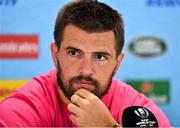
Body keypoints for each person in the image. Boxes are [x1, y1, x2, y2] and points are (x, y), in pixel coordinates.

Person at [0, 0, 172, 127]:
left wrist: (107, 126)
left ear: (118, 62)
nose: (86, 70)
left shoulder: (137, 110)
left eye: (100, 57)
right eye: (74, 53)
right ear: (55, 54)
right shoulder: (23, 110)